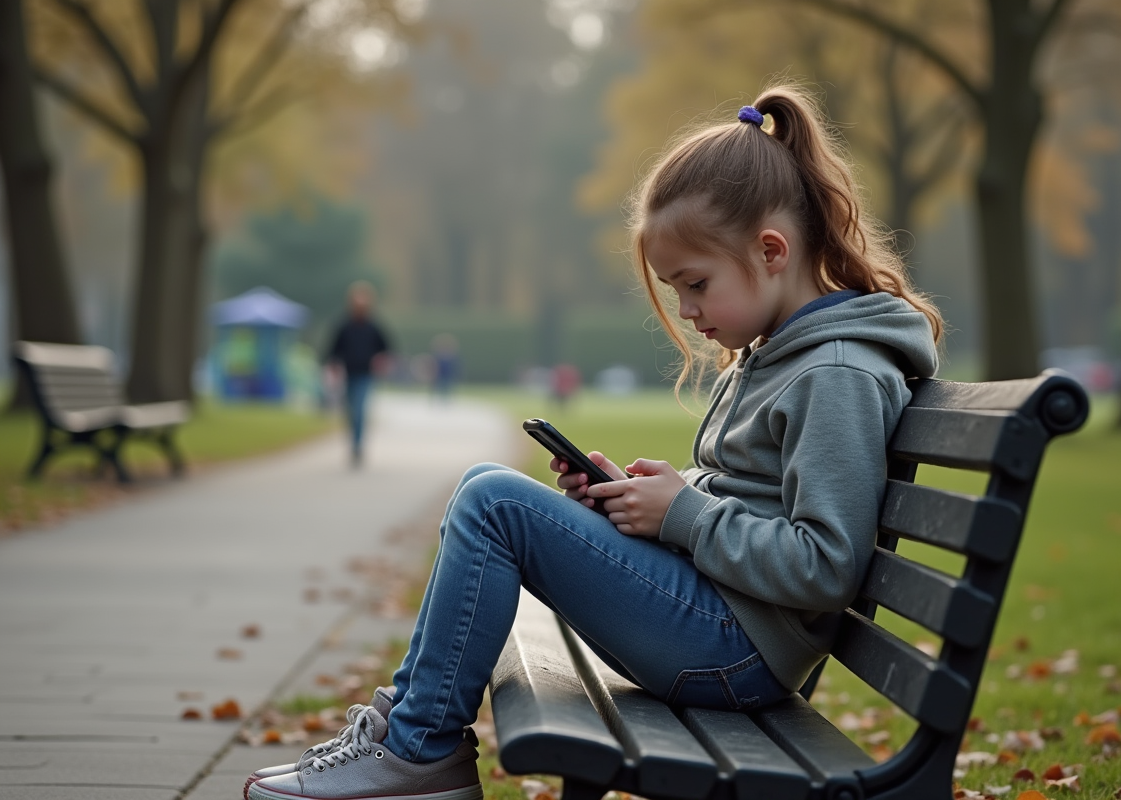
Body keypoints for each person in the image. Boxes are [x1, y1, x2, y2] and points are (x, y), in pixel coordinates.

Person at [246, 84, 942, 800]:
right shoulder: (786, 352)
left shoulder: (834, 373)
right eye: (678, 291)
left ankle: (417, 750)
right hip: (726, 628)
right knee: (488, 493)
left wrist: (683, 514)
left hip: (738, 655)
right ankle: (407, 736)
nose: (689, 311)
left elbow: (825, 566)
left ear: (771, 250)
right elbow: (749, 498)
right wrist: (638, 498)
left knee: (494, 502)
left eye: (695, 284)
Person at [326, 282, 392, 466]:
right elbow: (334, 349)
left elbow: (386, 348)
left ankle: (357, 445)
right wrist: (332, 365)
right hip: (348, 374)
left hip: (365, 375)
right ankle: (353, 442)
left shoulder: (373, 327)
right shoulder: (344, 325)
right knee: (350, 411)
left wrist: (381, 361)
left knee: (360, 410)